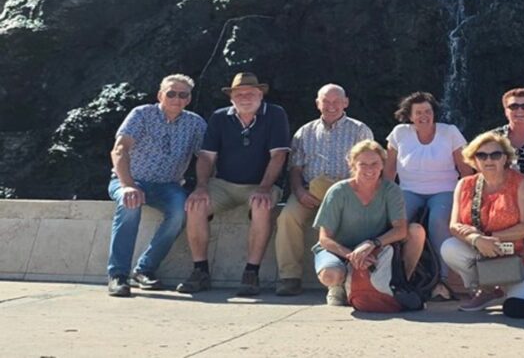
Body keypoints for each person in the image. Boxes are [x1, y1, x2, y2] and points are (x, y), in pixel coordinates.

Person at [176, 73, 290, 296]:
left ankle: (251, 272)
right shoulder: (219, 117)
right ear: (231, 98)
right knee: (195, 205)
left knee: (261, 205)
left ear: (260, 95)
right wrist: (201, 186)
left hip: (261, 185)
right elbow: (207, 157)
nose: (245, 97)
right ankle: (200, 270)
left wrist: (264, 188)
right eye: (239, 94)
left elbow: (278, 155)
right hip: (223, 184)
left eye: (250, 93)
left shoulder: (276, 114)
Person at [106, 74, 207, 297]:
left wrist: (202, 187)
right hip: (129, 180)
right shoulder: (141, 114)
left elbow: (204, 157)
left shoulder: (196, 123)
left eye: (183, 95)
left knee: (181, 212)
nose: (176, 99)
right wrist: (128, 185)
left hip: (168, 186)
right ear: (160, 95)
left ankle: (144, 269)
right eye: (171, 93)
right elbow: (120, 149)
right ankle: (118, 275)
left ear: (189, 99)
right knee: (130, 205)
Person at [441, 131, 524, 311]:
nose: (489, 160)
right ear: (473, 160)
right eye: (482, 155)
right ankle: (487, 289)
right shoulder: (464, 185)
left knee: (519, 301)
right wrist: (476, 240)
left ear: (505, 158)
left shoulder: (523, 183)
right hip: (486, 249)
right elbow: (454, 225)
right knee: (450, 248)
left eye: (495, 155)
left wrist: (487, 237)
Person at [274, 84, 373, 296]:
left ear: (345, 103)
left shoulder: (360, 130)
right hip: (310, 191)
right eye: (326, 101)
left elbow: (368, 167)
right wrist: (299, 192)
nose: (331, 106)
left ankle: (347, 279)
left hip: (346, 193)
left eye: (336, 101)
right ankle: (289, 277)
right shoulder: (304, 132)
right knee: (287, 217)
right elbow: (295, 168)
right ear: (317, 104)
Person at [313, 140, 426, 307]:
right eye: (363, 164)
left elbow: (400, 230)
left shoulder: (391, 190)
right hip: (340, 250)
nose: (369, 169)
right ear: (353, 165)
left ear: (382, 165)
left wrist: (372, 244)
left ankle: (400, 283)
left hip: (376, 248)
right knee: (330, 275)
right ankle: (339, 286)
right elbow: (324, 239)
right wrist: (352, 256)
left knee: (416, 231)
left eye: (374, 164)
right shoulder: (338, 192)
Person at [385, 91, 472, 291]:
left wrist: (467, 198)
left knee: (438, 220)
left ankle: (443, 279)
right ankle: (395, 274)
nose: (424, 116)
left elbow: (465, 169)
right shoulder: (399, 133)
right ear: (409, 116)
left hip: (445, 189)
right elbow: (389, 170)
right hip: (408, 189)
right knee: (397, 221)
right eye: (418, 112)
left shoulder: (450, 132)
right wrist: (383, 196)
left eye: (428, 111)